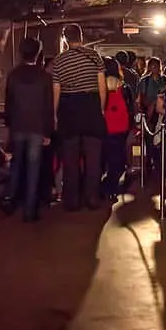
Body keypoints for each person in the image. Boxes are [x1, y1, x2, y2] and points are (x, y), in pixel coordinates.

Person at [50, 24, 107, 211]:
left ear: (65, 39)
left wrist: (55, 114)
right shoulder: (94, 56)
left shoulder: (59, 61)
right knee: (93, 157)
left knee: (70, 157)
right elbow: (102, 86)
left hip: (69, 108)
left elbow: (56, 89)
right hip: (90, 105)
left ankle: (72, 200)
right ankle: (92, 197)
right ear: (81, 36)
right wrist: (100, 108)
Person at [2, 35, 54, 221]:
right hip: (37, 128)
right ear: (38, 53)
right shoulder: (45, 77)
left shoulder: (13, 75)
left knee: (16, 165)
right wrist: (48, 131)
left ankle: (9, 199)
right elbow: (48, 107)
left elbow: (9, 103)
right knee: (33, 168)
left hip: (18, 126)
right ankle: (30, 210)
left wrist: (8, 124)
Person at [102, 56, 135, 203]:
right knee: (118, 161)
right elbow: (130, 109)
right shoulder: (123, 88)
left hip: (104, 128)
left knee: (105, 160)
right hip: (120, 129)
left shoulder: (98, 86)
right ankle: (110, 187)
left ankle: (104, 187)